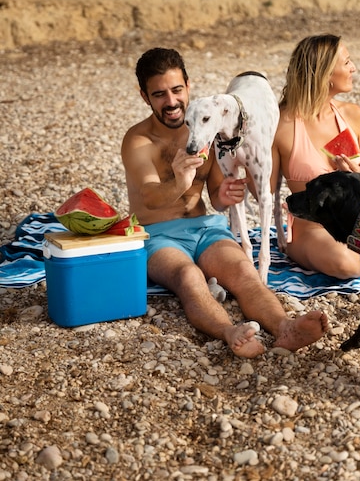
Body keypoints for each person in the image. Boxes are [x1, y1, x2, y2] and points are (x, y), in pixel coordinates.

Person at [121, 47, 328, 358]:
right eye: (159, 94)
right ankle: (230, 331)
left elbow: (217, 197)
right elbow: (150, 199)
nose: (172, 101)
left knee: (244, 272)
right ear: (144, 96)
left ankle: (286, 327)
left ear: (188, 86)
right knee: (188, 276)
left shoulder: (211, 128)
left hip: (205, 228)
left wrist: (225, 195)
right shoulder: (138, 140)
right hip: (158, 235)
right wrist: (179, 182)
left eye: (177, 90)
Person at [272, 34, 360, 279]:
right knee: (346, 263)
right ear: (324, 74)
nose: (354, 68)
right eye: (347, 63)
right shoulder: (280, 125)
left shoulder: (353, 115)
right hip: (312, 228)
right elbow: (264, 191)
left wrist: (359, 176)